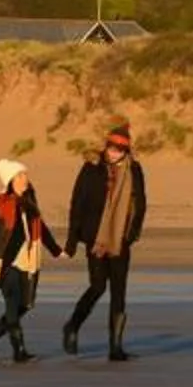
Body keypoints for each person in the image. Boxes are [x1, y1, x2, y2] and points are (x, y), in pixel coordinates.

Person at [63, 123, 149, 362]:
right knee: (98, 286)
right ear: (106, 146)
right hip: (96, 238)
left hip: (121, 239)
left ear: (126, 150)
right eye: (111, 148)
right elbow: (77, 203)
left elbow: (140, 203)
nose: (114, 153)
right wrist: (72, 240)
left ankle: (116, 347)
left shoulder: (135, 170)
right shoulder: (91, 168)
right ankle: (72, 325)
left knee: (119, 292)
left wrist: (132, 234)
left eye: (119, 150)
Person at [0, 158, 56, 363]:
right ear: (11, 180)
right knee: (12, 304)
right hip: (5, 261)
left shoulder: (29, 200)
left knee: (26, 304)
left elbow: (40, 226)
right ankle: (19, 350)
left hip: (28, 260)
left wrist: (56, 250)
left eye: (25, 174)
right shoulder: (1, 203)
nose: (25, 178)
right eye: (20, 175)